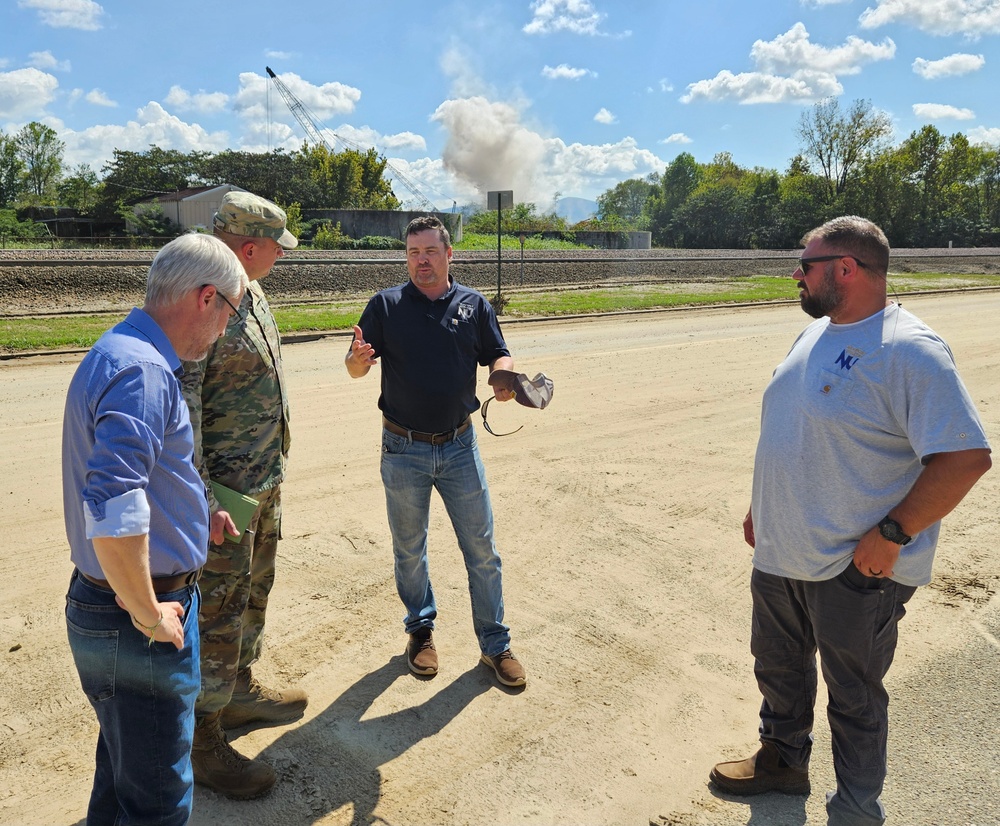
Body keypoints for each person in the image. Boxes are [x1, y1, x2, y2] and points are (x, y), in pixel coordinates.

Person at [709, 216, 992, 825]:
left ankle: (857, 810)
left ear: (846, 268)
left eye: (805, 263)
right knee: (778, 669)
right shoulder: (814, 335)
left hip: (854, 568)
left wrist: (892, 535)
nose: (796, 273)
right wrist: (766, 507)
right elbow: (799, 429)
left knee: (854, 696)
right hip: (783, 551)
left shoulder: (909, 350)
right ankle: (783, 762)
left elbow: (965, 456)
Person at [62, 233, 247, 826]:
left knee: (121, 778)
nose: (225, 330)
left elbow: (142, 477)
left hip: (115, 610)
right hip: (137, 621)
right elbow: (114, 501)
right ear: (205, 298)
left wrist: (195, 510)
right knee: (157, 803)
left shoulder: (121, 351)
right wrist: (147, 612)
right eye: (231, 313)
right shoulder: (144, 373)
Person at [345, 215, 527, 688]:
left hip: (460, 446)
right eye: (412, 253)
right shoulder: (385, 306)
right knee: (410, 550)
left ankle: (495, 644)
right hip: (402, 447)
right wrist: (356, 361)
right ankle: (420, 633)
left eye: (429, 251)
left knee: (482, 548)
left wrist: (504, 375)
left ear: (450, 255)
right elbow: (355, 368)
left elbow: (498, 353)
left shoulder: (473, 305)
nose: (420, 261)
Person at [181, 191, 306, 800]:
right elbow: (183, 414)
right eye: (276, 249)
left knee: (254, 591)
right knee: (217, 611)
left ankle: (239, 693)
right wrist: (202, 498)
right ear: (250, 247)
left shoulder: (248, 290)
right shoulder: (199, 301)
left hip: (261, 480)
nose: (281, 258)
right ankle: (202, 740)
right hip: (224, 496)